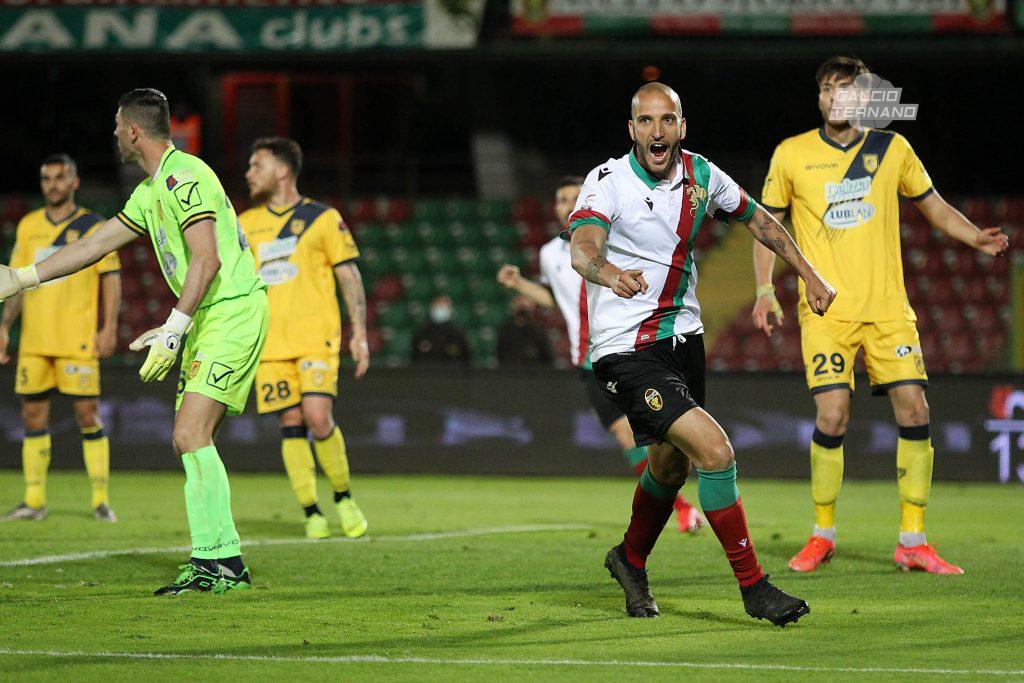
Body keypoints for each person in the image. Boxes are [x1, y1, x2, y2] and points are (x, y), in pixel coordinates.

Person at [568, 82, 836, 626]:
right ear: (632, 130)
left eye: (667, 120)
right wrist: (610, 273)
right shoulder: (606, 181)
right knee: (716, 453)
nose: (656, 131)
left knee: (669, 467)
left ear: (681, 127)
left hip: (683, 343)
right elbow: (583, 247)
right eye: (645, 121)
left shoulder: (702, 175)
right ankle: (755, 587)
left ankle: (629, 559)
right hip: (626, 350)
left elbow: (759, 219)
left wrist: (809, 274)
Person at [0, 88, 269, 596]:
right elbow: (95, 245)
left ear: (132, 130)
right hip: (210, 318)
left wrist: (174, 327)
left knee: (190, 435)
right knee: (188, 438)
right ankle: (219, 560)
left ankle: (221, 564)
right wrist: (22, 278)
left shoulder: (182, 175)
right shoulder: (150, 193)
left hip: (230, 312)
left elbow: (207, 260)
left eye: (116, 125)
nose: (114, 134)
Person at [753, 56, 1009, 575]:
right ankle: (822, 534)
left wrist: (974, 236)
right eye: (827, 89)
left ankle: (912, 540)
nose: (835, 97)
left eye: (846, 89)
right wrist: (764, 289)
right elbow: (767, 226)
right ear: (820, 98)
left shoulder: (893, 149)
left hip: (888, 310)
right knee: (832, 416)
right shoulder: (792, 154)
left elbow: (933, 205)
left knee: (915, 411)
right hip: (826, 309)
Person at [497, 176, 703, 533]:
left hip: (627, 351)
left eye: (574, 197)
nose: (567, 203)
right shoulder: (549, 254)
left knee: (662, 439)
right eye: (561, 199)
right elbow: (557, 301)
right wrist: (520, 286)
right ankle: (680, 508)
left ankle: (688, 487)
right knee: (628, 439)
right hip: (589, 361)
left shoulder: (610, 242)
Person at [240, 137, 369, 540]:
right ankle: (311, 511)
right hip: (270, 344)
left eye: (256, 165)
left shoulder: (323, 218)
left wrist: (360, 332)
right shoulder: (244, 225)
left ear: (281, 170)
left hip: (316, 338)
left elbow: (348, 274)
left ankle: (344, 498)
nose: (249, 173)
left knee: (317, 416)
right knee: (291, 423)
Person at [0, 153, 121, 523]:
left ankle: (101, 499)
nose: (52, 184)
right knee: (33, 415)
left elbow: (110, 276)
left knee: (87, 413)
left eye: (59, 177)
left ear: (74, 182)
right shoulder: (28, 225)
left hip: (76, 339)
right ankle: (34, 501)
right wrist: (5, 325)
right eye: (46, 178)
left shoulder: (92, 225)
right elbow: (17, 281)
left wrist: (109, 326)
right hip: (36, 341)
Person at [411, 295, 471, 366]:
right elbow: (414, 358)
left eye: (443, 307)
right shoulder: (421, 333)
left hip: (452, 375)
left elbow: (467, 358)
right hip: (427, 374)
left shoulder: (458, 333)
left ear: (450, 310)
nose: (440, 309)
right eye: (437, 306)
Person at [496, 295, 553, 367]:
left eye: (525, 307)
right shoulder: (505, 331)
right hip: (510, 373)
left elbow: (547, 359)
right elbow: (500, 355)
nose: (522, 310)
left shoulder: (538, 332)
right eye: (519, 305)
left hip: (534, 374)